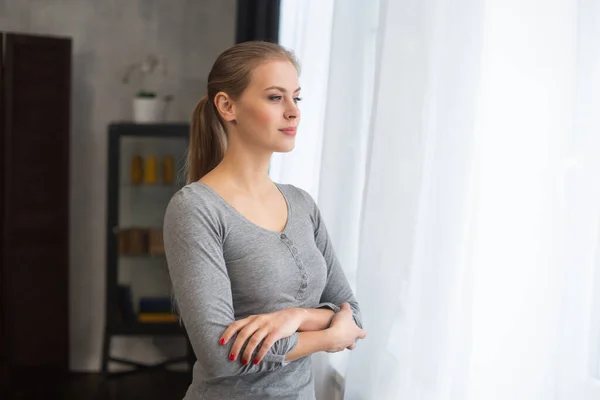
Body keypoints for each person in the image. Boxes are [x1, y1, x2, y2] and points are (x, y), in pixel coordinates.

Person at [163, 41, 366, 400]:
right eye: (275, 98)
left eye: (296, 98)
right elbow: (219, 357)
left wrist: (296, 317)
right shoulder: (196, 209)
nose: (293, 112)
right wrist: (327, 336)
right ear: (227, 106)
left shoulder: (302, 204)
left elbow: (353, 313)